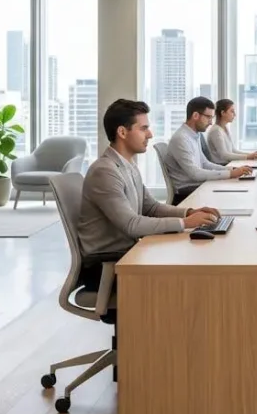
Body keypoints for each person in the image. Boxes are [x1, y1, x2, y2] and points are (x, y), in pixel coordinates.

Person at [75, 98, 220, 291]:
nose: (150, 134)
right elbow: (131, 225)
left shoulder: (127, 165)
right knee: (191, 278)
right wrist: (186, 224)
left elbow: (150, 207)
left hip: (127, 254)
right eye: (143, 128)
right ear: (122, 132)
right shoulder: (105, 171)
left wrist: (190, 212)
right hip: (106, 268)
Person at [165, 96, 252, 204]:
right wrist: (230, 174)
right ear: (195, 115)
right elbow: (195, 174)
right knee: (232, 188)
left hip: (197, 185)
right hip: (188, 191)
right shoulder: (181, 139)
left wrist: (230, 169)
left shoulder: (194, 135)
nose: (211, 122)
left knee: (235, 186)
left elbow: (205, 163)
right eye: (208, 117)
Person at [206, 98, 257, 165]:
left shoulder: (224, 128)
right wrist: (248, 156)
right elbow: (224, 155)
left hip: (228, 163)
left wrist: (252, 155)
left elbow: (233, 150)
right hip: (223, 165)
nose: (235, 114)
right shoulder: (215, 131)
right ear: (223, 113)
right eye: (232, 111)